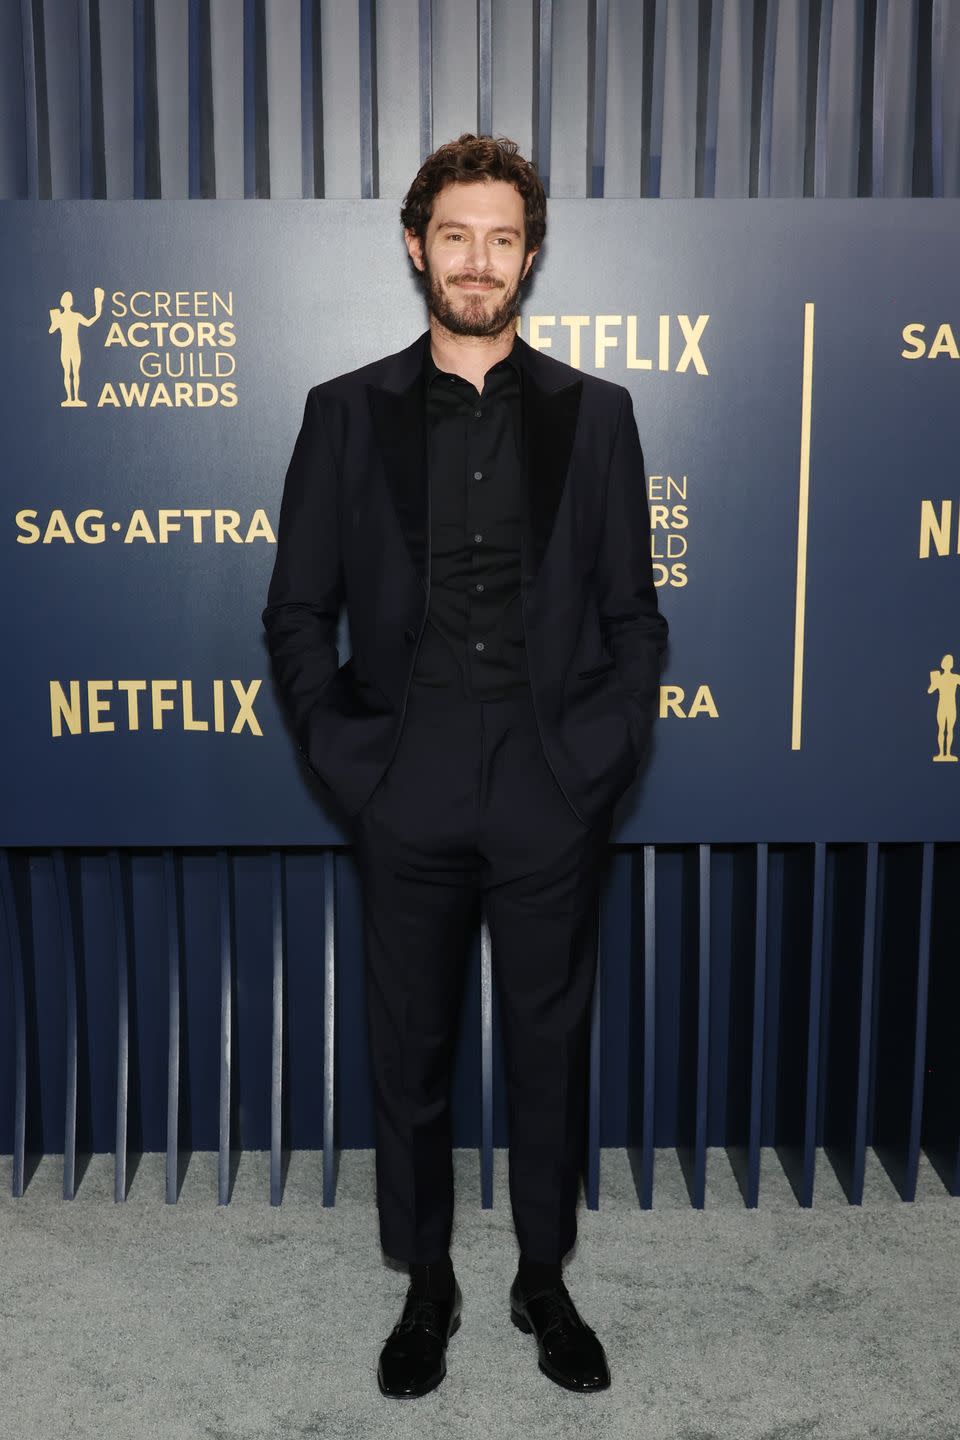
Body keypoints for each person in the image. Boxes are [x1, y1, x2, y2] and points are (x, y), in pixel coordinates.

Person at [262, 133, 668, 1397]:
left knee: (548, 1044)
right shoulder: (345, 413)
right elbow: (294, 613)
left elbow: (634, 619)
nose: (478, 260)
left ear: (530, 254)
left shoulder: (598, 417)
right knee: (412, 1044)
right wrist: (349, 761)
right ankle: (425, 1280)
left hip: (551, 784)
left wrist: (595, 764)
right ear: (415, 245)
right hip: (406, 779)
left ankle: (543, 1278)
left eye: (502, 238)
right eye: (455, 234)